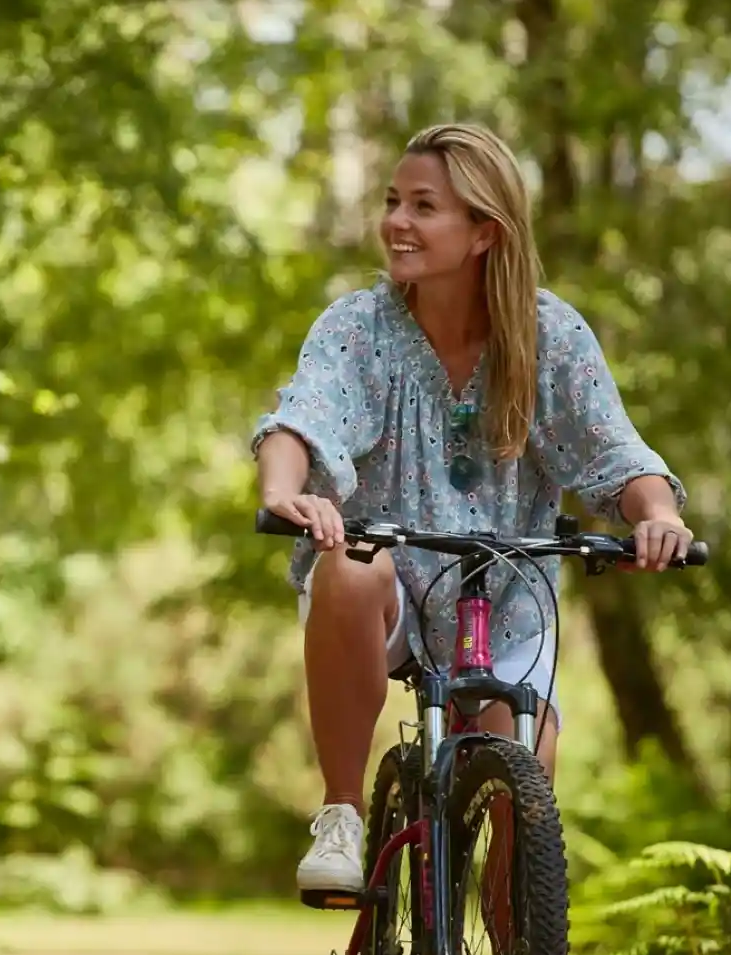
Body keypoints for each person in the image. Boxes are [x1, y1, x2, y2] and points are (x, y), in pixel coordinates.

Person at [251, 122, 693, 901]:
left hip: (506, 603)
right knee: (350, 567)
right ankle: (343, 814)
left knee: (525, 817)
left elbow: (615, 452)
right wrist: (283, 487)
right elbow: (303, 417)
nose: (397, 222)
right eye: (393, 201)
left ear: (485, 231)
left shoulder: (549, 335)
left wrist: (658, 514)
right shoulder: (360, 328)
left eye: (425, 206)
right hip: (388, 587)